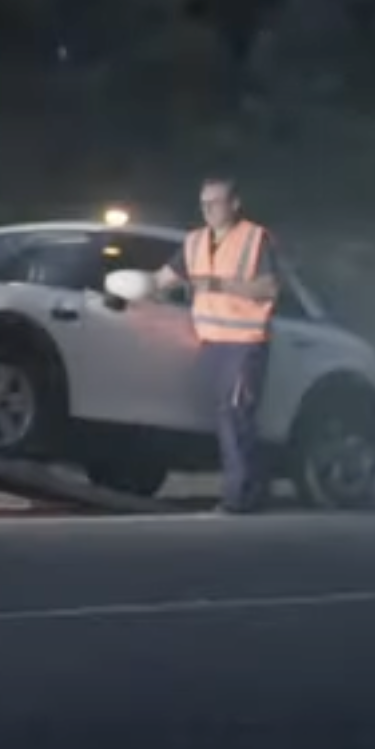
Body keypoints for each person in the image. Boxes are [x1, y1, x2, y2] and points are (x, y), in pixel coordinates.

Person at [153, 176, 282, 514]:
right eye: (204, 203)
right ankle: (255, 487)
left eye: (216, 202)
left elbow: (268, 289)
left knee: (235, 415)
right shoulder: (194, 242)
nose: (208, 209)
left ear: (235, 203)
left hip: (245, 344)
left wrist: (218, 283)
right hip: (212, 344)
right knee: (229, 418)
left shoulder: (255, 238)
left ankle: (239, 497)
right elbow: (162, 280)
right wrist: (126, 288)